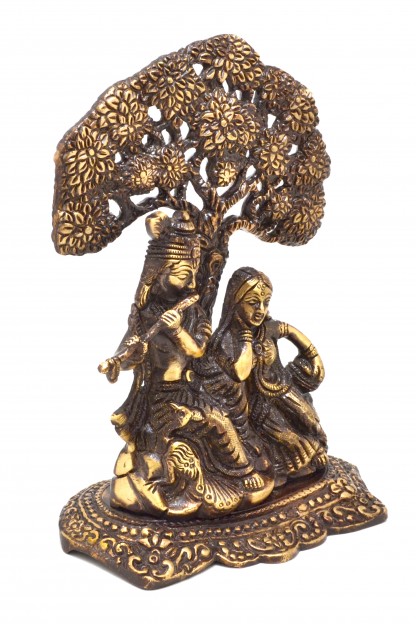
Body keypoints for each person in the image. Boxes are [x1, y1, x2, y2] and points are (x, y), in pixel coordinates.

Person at [99, 213, 271, 517]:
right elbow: (128, 353)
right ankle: (162, 475)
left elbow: (198, 350)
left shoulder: (192, 313)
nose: (191, 282)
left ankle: (242, 472)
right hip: (154, 395)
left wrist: (178, 330)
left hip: (187, 388)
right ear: (158, 273)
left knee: (219, 420)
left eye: (193, 274)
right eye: (183, 274)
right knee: (168, 438)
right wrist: (119, 362)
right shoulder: (145, 316)